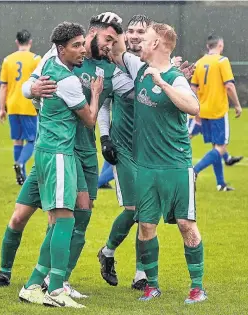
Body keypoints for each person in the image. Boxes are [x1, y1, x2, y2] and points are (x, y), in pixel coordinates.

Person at [0, 12, 132, 298]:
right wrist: (32, 88)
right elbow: (30, 84)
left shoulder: (111, 69)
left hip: (83, 152)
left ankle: (59, 281)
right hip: (56, 150)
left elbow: (125, 97)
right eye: (108, 39)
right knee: (22, 217)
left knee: (79, 215)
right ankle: (7, 273)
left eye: (116, 41)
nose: (110, 46)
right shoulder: (60, 54)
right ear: (92, 34)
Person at [111, 21, 207, 304]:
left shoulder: (175, 78)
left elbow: (194, 107)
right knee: (146, 226)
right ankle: (152, 285)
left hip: (176, 166)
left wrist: (162, 83)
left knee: (186, 225)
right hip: (146, 168)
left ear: (155, 45)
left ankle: (197, 287)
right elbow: (116, 47)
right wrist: (114, 25)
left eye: (145, 37)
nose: (136, 41)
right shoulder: (139, 68)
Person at [17, 22, 103, 308]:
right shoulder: (66, 81)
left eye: (82, 44)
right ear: (60, 48)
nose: (81, 50)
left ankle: (32, 285)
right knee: (65, 219)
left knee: (59, 219)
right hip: (58, 154)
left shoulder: (49, 62)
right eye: (75, 46)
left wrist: (31, 89)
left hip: (49, 151)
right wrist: (96, 92)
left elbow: (31, 84)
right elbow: (90, 120)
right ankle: (56, 289)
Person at [97, 15, 153, 291]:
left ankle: (140, 273)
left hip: (152, 149)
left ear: (150, 35)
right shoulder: (111, 64)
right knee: (134, 209)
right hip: (124, 146)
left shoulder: (157, 64)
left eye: (140, 32)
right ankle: (108, 252)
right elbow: (105, 104)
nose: (133, 35)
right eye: (130, 30)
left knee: (147, 213)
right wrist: (105, 138)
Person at [191, 35, 242, 191]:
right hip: (218, 110)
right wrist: (237, 105)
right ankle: (194, 171)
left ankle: (221, 184)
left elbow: (193, 88)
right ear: (220, 45)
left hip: (203, 110)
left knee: (216, 147)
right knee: (221, 147)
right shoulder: (222, 61)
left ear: (208, 46)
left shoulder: (199, 63)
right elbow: (229, 86)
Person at [0, 30, 41, 184]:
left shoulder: (7, 60)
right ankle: (21, 163)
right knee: (32, 140)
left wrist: (2, 108)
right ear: (30, 42)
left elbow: (4, 86)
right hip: (28, 104)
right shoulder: (36, 59)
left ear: (17, 42)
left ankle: (21, 177)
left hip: (12, 105)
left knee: (17, 140)